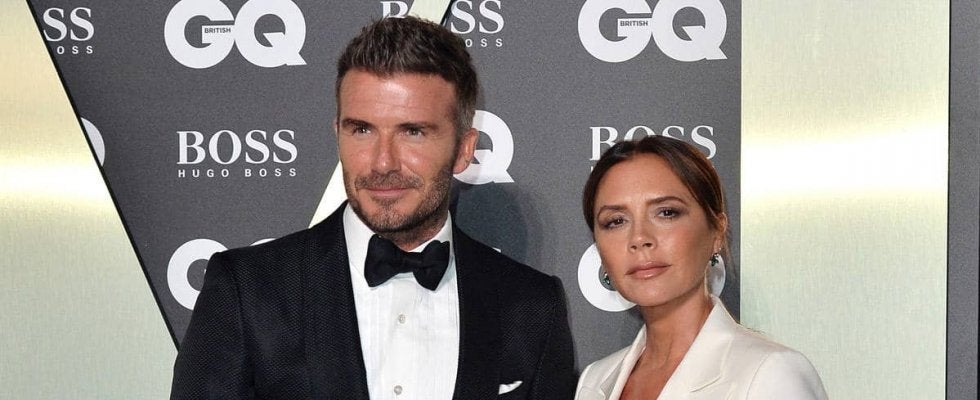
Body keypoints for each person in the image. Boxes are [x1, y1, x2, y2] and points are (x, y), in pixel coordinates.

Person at [171, 16, 575, 400]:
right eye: (362, 130)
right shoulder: (248, 291)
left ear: (464, 150)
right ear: (338, 134)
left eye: (413, 132)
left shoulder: (531, 307)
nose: (383, 163)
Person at [574, 136, 827, 400]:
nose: (639, 238)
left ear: (716, 231)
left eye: (667, 213)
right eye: (616, 221)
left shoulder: (770, 373)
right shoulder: (595, 380)